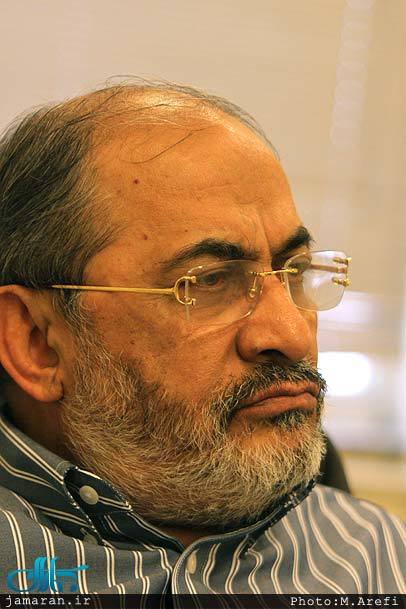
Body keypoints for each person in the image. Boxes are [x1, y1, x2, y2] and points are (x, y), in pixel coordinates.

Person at [0, 81, 404, 598]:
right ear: (36, 342)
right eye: (210, 280)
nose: (292, 334)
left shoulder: (377, 553)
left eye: (295, 269)